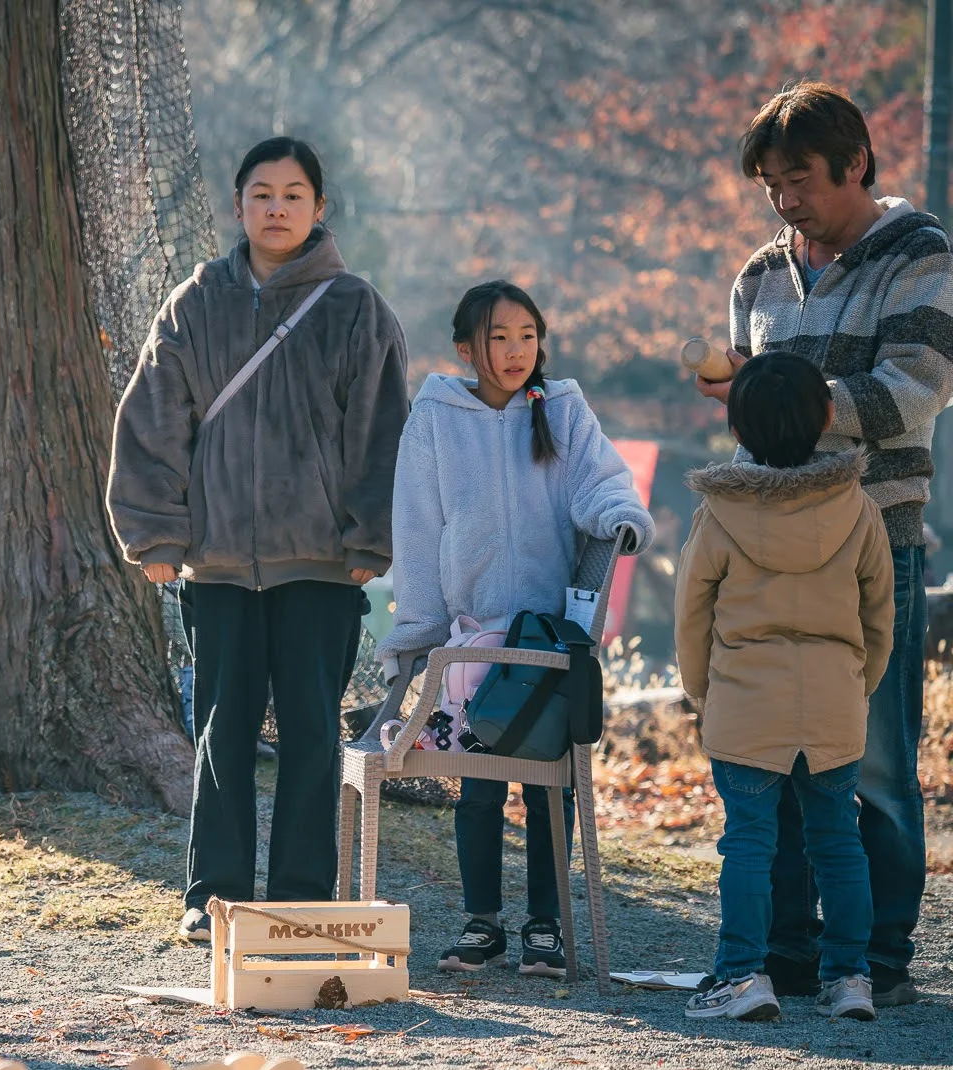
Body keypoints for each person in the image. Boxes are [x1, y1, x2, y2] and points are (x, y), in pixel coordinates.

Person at [107, 136, 409, 943]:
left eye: (293, 194)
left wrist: (367, 539)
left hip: (319, 562)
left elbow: (382, 433)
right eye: (261, 194)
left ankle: (304, 895)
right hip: (217, 565)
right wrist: (155, 533)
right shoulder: (196, 301)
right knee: (221, 731)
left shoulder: (355, 308)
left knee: (313, 731)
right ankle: (214, 898)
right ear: (237, 205)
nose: (276, 208)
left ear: (318, 207)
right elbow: (151, 423)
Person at [695, 82, 953, 1008]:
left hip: (874, 539)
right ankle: (792, 950)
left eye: (799, 179)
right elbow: (752, 420)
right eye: (770, 184)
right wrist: (750, 406)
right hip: (766, 542)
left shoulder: (919, 254)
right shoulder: (759, 277)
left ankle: (879, 952)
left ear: (856, 163)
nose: (785, 200)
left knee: (873, 761)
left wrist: (793, 404)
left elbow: (913, 391)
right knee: (777, 752)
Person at [380, 281, 653, 977]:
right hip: (471, 640)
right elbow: (416, 529)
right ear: (466, 348)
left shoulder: (562, 407)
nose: (514, 351)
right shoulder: (438, 415)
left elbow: (602, 484)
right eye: (498, 337)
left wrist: (622, 518)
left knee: (545, 785)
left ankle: (545, 925)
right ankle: (483, 924)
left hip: (545, 640)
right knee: (476, 784)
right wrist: (416, 638)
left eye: (527, 335)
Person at [678, 351, 893, 1022]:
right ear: (828, 415)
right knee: (838, 841)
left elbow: (692, 614)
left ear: (737, 429)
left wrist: (703, 696)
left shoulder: (720, 513)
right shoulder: (858, 509)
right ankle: (851, 977)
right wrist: (859, 686)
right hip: (834, 704)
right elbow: (880, 614)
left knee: (748, 840)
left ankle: (743, 976)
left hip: (745, 704)